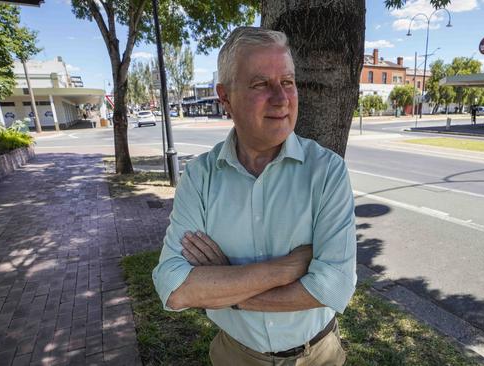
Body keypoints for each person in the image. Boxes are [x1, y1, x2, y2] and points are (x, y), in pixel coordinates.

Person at [152, 27, 357, 366]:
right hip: (235, 355)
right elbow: (174, 288)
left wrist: (226, 287)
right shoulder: (201, 175)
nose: (281, 98)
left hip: (317, 356)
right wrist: (288, 268)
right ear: (225, 97)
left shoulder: (326, 171)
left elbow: (333, 287)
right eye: (261, 84)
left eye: (287, 82)